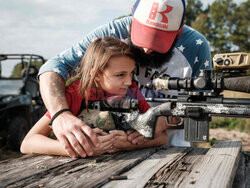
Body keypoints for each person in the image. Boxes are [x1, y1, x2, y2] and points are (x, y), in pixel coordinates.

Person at [38, 0, 212, 157]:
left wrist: (165, 122)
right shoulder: (112, 33)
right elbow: (54, 67)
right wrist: (60, 114)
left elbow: (203, 110)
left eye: (158, 41)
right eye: (143, 34)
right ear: (132, 15)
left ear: (178, 31)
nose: (146, 49)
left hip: (174, 153)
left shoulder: (196, 47)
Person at [20, 37, 168, 157]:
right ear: (96, 75)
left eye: (131, 73)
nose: (129, 81)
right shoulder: (75, 93)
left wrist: (129, 143)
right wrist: (78, 148)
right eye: (120, 75)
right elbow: (28, 143)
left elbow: (162, 137)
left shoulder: (132, 90)